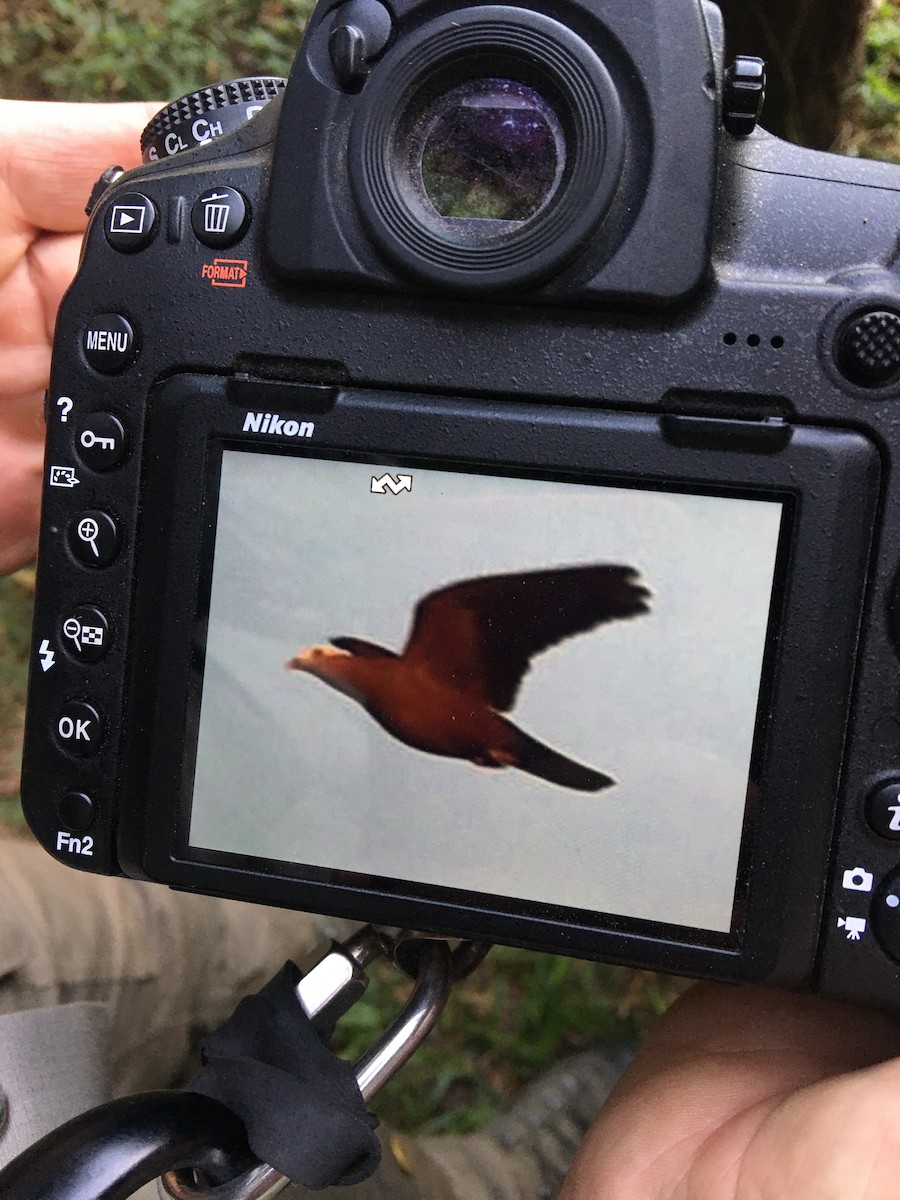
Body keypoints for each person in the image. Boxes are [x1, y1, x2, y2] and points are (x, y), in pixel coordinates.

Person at [3, 99, 900, 1200]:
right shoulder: (390, 674)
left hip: (474, 748)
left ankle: (400, 983)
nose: (315, 662)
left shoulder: (435, 635)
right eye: (323, 663)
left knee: (190, 934)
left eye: (325, 658)